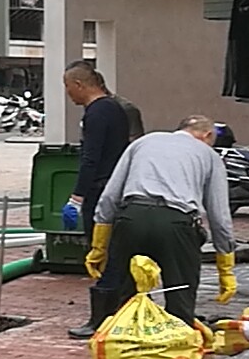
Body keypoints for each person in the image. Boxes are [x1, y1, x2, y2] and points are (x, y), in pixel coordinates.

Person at [86, 115, 238, 328]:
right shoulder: (209, 155)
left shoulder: (143, 142)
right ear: (208, 135)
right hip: (177, 224)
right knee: (180, 294)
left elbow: (110, 196)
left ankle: (127, 346)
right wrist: (225, 267)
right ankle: (175, 349)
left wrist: (99, 245)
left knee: (128, 298)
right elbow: (219, 215)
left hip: (131, 219)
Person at [59, 62, 131, 339]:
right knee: (118, 251)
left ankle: (101, 318)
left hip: (101, 191)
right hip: (117, 188)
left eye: (68, 87)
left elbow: (91, 157)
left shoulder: (97, 113)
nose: (68, 94)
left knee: (101, 251)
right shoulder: (116, 108)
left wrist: (77, 198)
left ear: (79, 85)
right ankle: (124, 312)